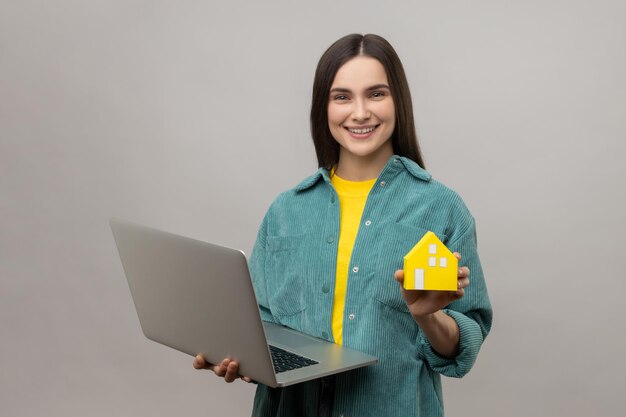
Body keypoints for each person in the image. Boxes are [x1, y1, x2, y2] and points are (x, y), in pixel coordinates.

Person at [194, 33, 492, 417]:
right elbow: (260, 327)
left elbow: (464, 349)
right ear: (324, 107)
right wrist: (239, 358)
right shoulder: (286, 211)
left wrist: (427, 316)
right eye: (342, 97)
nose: (361, 112)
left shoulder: (441, 208)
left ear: (398, 101)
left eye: (377, 94)